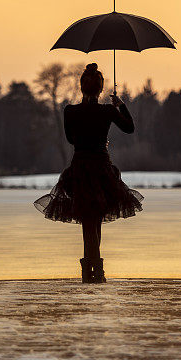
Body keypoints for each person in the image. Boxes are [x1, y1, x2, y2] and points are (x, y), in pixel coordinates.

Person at [33, 63, 143, 283]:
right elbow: (130, 128)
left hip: (81, 168)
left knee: (88, 219)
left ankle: (89, 270)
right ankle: (96, 270)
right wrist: (120, 105)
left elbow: (71, 139)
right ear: (101, 89)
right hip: (102, 168)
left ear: (82, 87)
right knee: (96, 218)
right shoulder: (108, 110)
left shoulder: (70, 111)